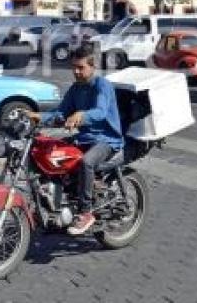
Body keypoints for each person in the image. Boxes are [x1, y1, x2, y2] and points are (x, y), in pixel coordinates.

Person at [26, 45, 124, 236]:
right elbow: (61, 113)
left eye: (81, 67)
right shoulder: (75, 88)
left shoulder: (102, 85)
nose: (76, 72)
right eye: (74, 67)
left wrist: (81, 115)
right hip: (84, 138)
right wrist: (39, 116)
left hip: (106, 139)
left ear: (92, 66)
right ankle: (53, 202)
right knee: (50, 151)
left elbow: (100, 112)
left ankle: (85, 212)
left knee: (86, 162)